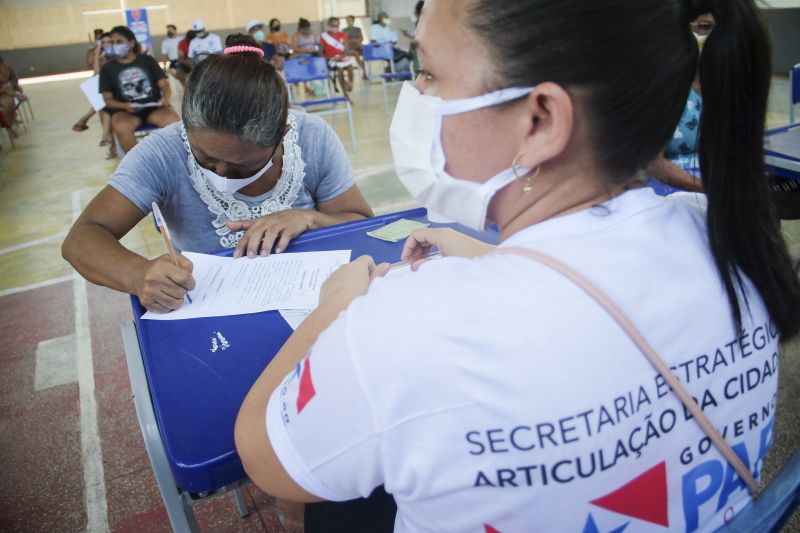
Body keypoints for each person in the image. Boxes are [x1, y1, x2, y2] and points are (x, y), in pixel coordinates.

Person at [235, 1, 800, 532]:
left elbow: (265, 455)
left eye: (429, 75)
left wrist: (337, 306)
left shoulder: (408, 328)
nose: (415, 95)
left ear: (540, 121)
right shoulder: (724, 231)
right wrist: (494, 260)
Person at [63, 33, 372, 312]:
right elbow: (82, 239)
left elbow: (361, 224)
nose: (223, 174)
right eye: (206, 159)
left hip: (321, 302)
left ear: (282, 134)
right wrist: (136, 273)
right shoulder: (163, 152)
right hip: (213, 314)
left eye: (243, 165)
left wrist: (310, 218)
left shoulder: (311, 136)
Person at [646, 10, 716, 195]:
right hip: (675, 190)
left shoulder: (723, 85)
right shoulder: (665, 88)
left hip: (715, 183)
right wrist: (709, 190)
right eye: (704, 27)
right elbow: (653, 164)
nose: (711, 37)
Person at [99, 25, 180, 152]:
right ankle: (139, 164)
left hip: (155, 108)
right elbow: (107, 99)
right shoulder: (107, 68)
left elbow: (164, 85)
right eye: (112, 42)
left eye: (119, 42)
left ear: (131, 43)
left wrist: (166, 98)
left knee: (173, 121)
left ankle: (175, 158)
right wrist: (124, 106)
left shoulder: (147, 61)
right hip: (126, 112)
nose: (115, 45)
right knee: (121, 126)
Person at [320, 17, 356, 97]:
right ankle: (344, 92)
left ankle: (350, 83)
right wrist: (330, 58)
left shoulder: (343, 35)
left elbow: (346, 49)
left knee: (350, 66)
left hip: (342, 57)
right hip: (331, 59)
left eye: (337, 25)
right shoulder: (324, 36)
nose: (335, 28)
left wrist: (343, 56)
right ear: (329, 26)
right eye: (333, 26)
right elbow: (321, 53)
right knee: (340, 70)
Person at [0, 54, 26, 135]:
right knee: (6, 103)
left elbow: (14, 78)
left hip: (8, 89)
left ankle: (11, 120)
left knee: (10, 100)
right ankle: (9, 124)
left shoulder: (6, 66)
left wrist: (11, 86)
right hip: (3, 91)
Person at [399, 1, 424, 73]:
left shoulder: (422, 20)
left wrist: (407, 35)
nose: (413, 13)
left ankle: (417, 67)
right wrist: (407, 34)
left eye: (415, 11)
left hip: (428, 42)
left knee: (412, 44)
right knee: (413, 45)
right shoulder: (420, 21)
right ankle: (409, 57)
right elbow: (418, 35)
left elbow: (420, 37)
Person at [343, 15, 369, 80]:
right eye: (347, 20)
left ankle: (365, 71)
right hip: (350, 47)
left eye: (350, 20)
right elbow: (344, 40)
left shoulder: (358, 29)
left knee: (366, 53)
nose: (349, 21)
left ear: (353, 21)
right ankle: (364, 71)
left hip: (358, 46)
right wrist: (353, 41)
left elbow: (361, 38)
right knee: (355, 54)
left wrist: (354, 40)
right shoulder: (344, 30)